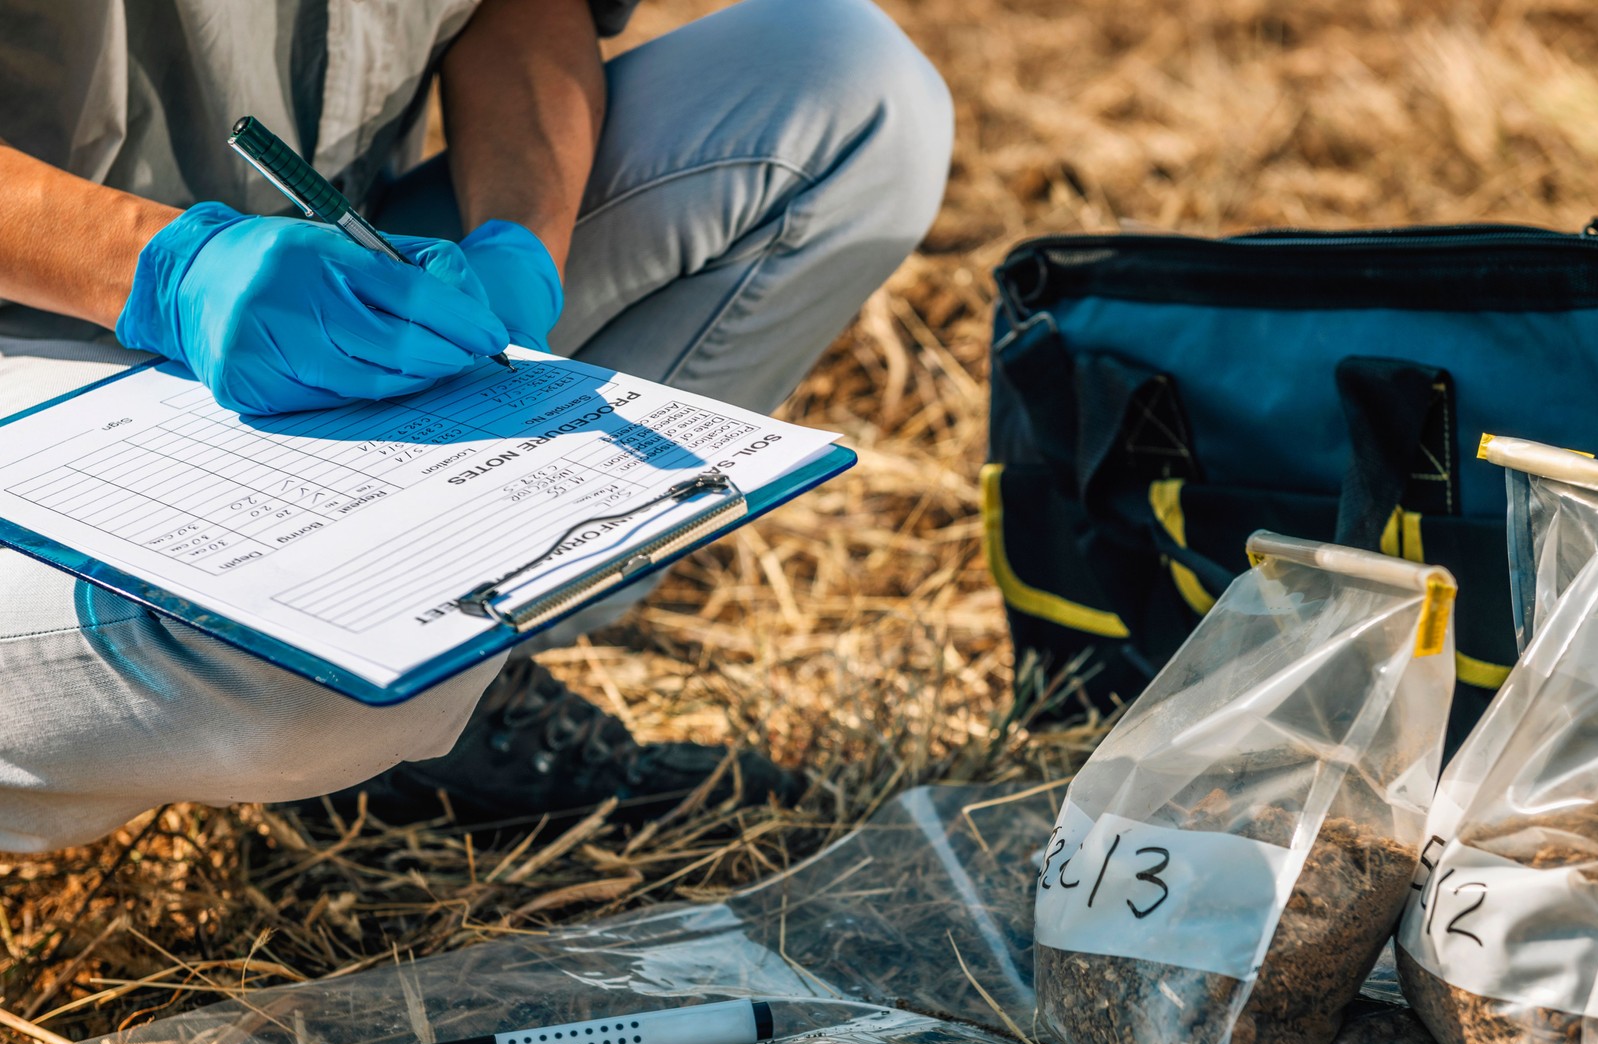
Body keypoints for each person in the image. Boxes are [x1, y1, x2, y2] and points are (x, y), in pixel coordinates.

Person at [0, 0, 952, 854]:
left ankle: (447, 717)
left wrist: (524, 235)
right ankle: (372, 718)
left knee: (841, 83)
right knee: (336, 660)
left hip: (343, 287)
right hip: (32, 341)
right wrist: (157, 269)